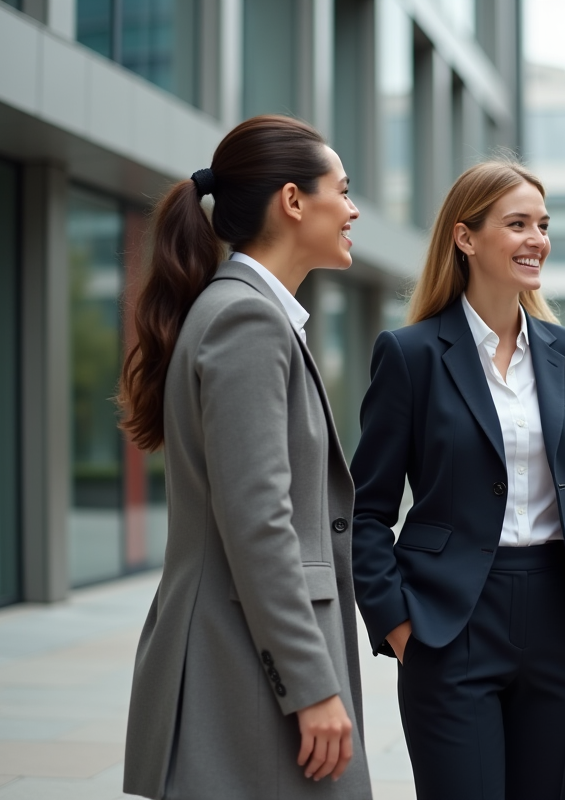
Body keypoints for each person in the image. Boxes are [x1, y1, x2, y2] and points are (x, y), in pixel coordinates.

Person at [351, 160, 565, 800]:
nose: (537, 239)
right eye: (517, 224)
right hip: (450, 624)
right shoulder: (411, 354)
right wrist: (397, 623)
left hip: (564, 620)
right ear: (466, 237)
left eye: (543, 225)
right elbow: (365, 511)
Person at [119, 115, 371, 800]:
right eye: (342, 190)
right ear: (293, 201)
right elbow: (259, 521)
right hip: (246, 671)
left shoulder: (245, 311)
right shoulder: (247, 319)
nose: (352, 210)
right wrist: (310, 685)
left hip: (243, 657)